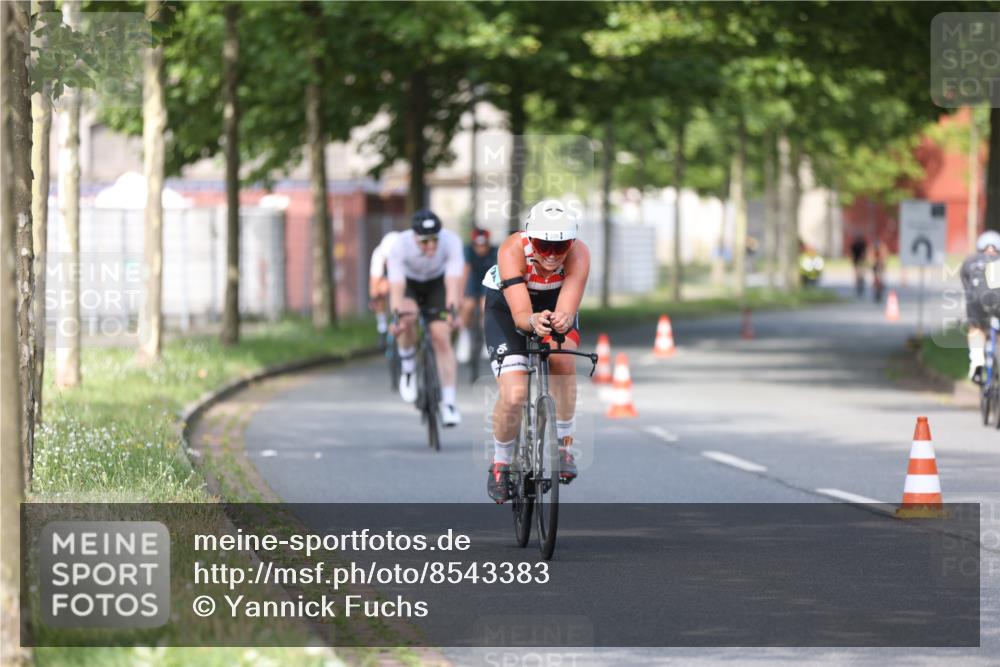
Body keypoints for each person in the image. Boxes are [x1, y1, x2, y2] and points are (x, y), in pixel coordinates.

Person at [481, 200, 590, 503]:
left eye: (561, 246)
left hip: (553, 302)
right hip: (507, 308)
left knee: (563, 360)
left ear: (573, 241)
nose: (553, 255)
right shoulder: (512, 249)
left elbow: (567, 308)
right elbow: (520, 315)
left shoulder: (579, 253)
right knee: (515, 394)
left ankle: (564, 447)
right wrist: (531, 322)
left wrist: (561, 319)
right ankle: (501, 463)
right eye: (544, 245)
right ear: (530, 237)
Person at [387, 209, 465, 426]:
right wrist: (396, 318)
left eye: (434, 240)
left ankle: (449, 402)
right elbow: (396, 286)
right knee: (407, 318)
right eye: (424, 242)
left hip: (437, 284)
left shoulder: (451, 242)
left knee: (441, 336)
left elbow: (452, 283)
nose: (431, 246)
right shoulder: (400, 245)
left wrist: (452, 313)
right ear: (414, 237)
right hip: (409, 284)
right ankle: (409, 367)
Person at [961, 230, 1000, 383]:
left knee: (976, 328)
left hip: (977, 301)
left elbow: (966, 285)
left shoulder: (970, 261)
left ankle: (977, 363)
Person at [455, 228, 498, 363]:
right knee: (468, 306)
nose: (481, 248)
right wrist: (461, 293)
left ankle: (487, 338)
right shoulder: (467, 251)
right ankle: (464, 337)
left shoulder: (494, 251)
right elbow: (465, 271)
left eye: (483, 244)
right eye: (478, 245)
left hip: (488, 280)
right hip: (472, 280)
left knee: (486, 305)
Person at [368, 230, 401, 348]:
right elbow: (374, 282)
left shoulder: (406, 252)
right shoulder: (378, 255)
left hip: (404, 275)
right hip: (387, 278)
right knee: (380, 290)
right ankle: (381, 328)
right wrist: (374, 298)